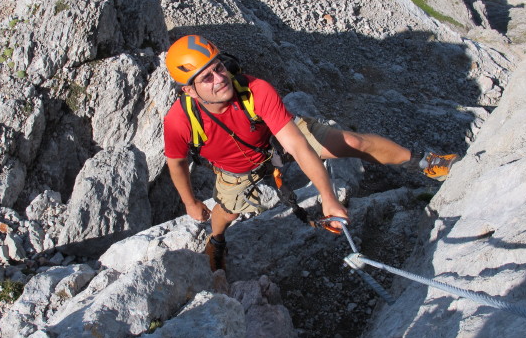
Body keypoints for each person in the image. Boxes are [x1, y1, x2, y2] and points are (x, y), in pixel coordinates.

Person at [163, 35, 458, 271]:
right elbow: (176, 163)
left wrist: (328, 198)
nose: (219, 79)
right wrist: (190, 202)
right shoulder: (179, 121)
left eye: (218, 67)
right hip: (236, 167)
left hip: (275, 141)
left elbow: (297, 145)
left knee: (353, 143)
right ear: (189, 90)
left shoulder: (255, 90)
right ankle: (216, 241)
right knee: (227, 210)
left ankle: (423, 161)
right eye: (206, 78)